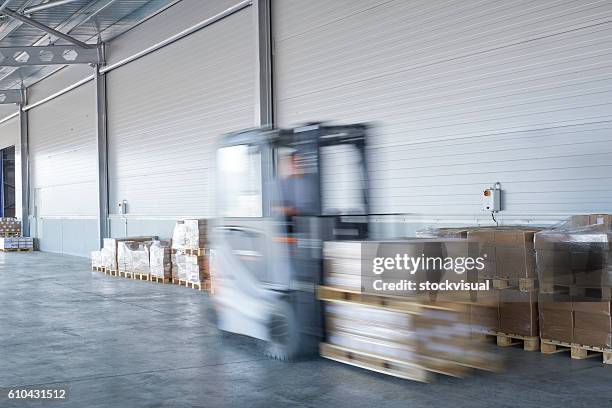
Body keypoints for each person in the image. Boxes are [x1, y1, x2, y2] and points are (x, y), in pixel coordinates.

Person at [277, 152, 317, 233]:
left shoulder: (313, 180)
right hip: (290, 224)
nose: (298, 165)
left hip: (311, 222)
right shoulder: (283, 183)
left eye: (300, 162)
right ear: (291, 165)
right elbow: (277, 207)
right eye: (295, 163)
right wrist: (289, 209)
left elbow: (315, 204)